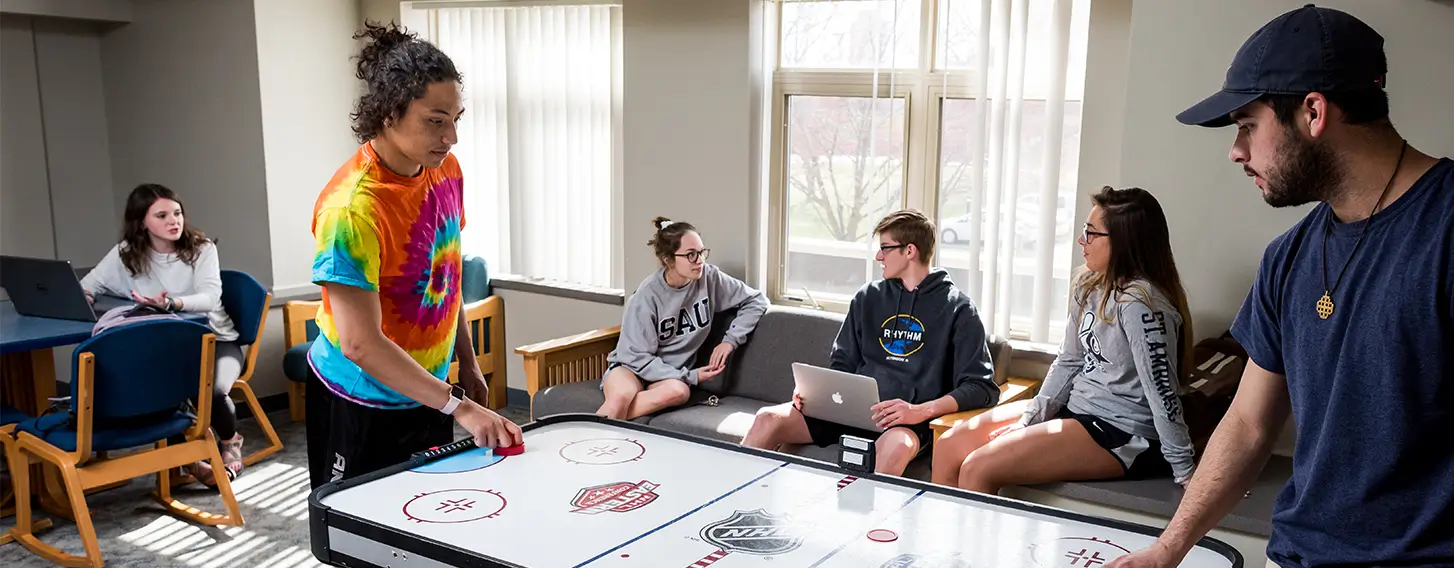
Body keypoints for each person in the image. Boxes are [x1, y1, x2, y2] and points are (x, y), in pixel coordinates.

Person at [1109, 6, 1454, 568]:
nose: (1235, 150)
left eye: (1247, 124)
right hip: (1296, 554)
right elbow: (1247, 424)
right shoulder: (1287, 258)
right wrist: (1169, 549)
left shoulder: (1444, 229)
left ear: (1313, 112)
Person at [305, 21, 520, 491]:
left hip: (430, 390)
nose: (451, 138)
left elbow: (447, 278)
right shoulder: (352, 209)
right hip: (361, 398)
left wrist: (466, 367)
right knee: (360, 534)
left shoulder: (444, 171)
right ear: (389, 113)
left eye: (456, 119)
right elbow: (361, 344)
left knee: (430, 512)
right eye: (436, 120)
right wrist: (459, 405)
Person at [930, 186, 1197, 495]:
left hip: (1121, 430)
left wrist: (1186, 469)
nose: (1082, 240)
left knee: (979, 468)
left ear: (1124, 242)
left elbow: (1161, 392)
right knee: (949, 446)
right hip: (1077, 409)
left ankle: (971, 544)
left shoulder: (1142, 305)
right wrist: (1029, 420)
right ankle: (947, 543)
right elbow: (1069, 361)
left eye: (1091, 233)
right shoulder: (1089, 286)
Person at [740, 210, 999, 476]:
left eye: (885, 248)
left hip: (907, 422)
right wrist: (816, 396)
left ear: (910, 250)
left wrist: (921, 411)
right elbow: (843, 362)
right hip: (852, 411)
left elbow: (981, 387)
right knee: (767, 419)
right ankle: (733, 502)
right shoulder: (868, 297)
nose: (879, 257)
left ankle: (860, 517)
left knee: (896, 447)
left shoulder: (959, 309)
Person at [80, 183, 245, 485]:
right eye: (162, 215)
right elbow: (89, 284)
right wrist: (86, 295)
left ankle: (230, 441)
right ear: (142, 222)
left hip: (217, 341)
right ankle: (187, 459)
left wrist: (172, 303)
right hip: (166, 347)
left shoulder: (202, 249)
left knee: (211, 389)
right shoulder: (126, 254)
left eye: (177, 213)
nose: (174, 221)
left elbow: (209, 298)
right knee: (153, 386)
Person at [598, 217, 769, 420]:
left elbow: (756, 300)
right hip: (630, 368)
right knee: (620, 398)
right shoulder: (646, 296)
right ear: (668, 260)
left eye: (702, 252)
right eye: (691, 255)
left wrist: (729, 341)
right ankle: (586, 444)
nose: (700, 261)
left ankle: (610, 421)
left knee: (679, 392)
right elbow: (635, 357)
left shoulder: (709, 278)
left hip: (668, 376)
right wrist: (691, 376)